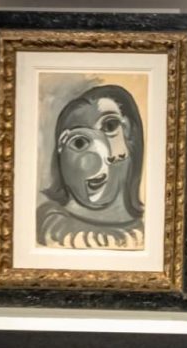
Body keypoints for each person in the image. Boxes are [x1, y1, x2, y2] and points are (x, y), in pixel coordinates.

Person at [37, 84, 145, 249]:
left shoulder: (150, 236)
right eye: (79, 141)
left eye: (109, 127)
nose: (94, 151)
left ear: (129, 132)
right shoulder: (47, 226)